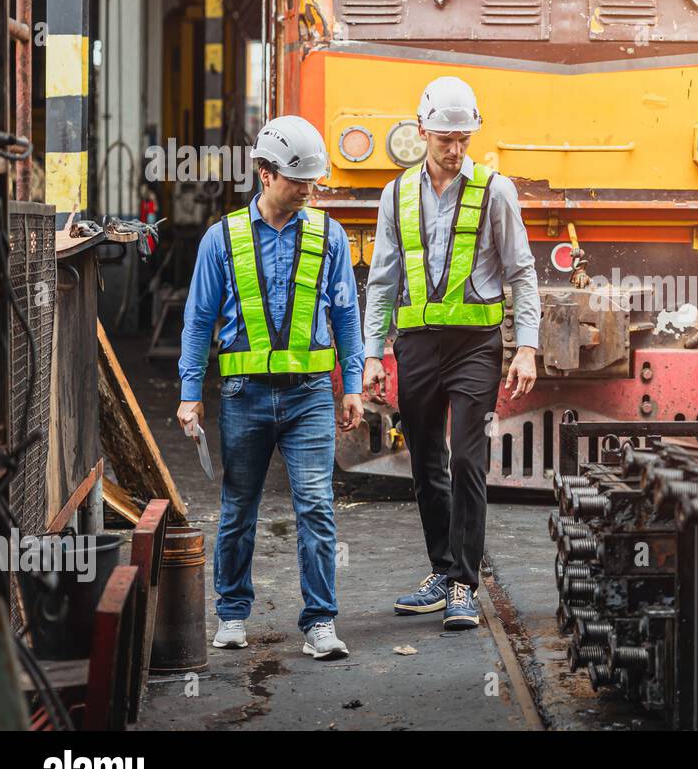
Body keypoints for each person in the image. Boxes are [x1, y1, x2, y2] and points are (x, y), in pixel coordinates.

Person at [176, 115, 364, 660]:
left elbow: (347, 317)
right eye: (296, 179)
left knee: (317, 508)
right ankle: (232, 614)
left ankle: (321, 622)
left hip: (309, 396)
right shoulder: (221, 239)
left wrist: (350, 384)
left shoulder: (328, 235)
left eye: (313, 181)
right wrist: (191, 393)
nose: (307, 189)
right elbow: (197, 320)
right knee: (238, 509)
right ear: (264, 172)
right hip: (244, 397)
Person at [363, 76, 540, 630]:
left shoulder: (496, 191)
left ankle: (465, 584)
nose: (455, 148)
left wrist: (527, 346)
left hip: (475, 349)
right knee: (424, 460)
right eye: (444, 137)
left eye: (463, 137)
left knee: (467, 457)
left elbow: (522, 272)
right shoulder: (396, 194)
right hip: (415, 347)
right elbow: (383, 278)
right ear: (422, 131)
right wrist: (372, 353)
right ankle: (442, 571)